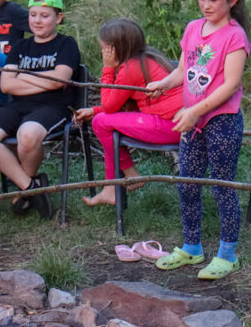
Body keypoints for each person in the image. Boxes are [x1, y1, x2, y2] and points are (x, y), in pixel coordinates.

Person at [145, 0, 251, 280]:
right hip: (193, 123)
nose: (205, 5)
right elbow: (182, 71)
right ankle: (192, 247)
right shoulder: (193, 28)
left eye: (212, 0)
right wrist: (163, 84)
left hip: (221, 122)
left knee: (221, 185)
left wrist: (194, 111)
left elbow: (230, 85)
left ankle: (227, 255)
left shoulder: (235, 36)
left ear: (232, 0)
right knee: (187, 183)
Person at [0, 0, 79, 220]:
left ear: (58, 18)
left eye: (44, 15)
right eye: (33, 15)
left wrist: (24, 77)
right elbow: (6, 85)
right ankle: (30, 188)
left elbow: (59, 80)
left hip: (53, 107)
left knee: (28, 134)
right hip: (18, 106)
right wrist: (46, 80)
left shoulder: (66, 44)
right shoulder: (21, 47)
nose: (37, 21)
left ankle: (25, 192)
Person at [73, 18, 183, 206]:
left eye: (104, 49)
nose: (102, 53)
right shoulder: (146, 57)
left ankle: (131, 175)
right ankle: (110, 189)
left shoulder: (131, 69)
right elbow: (118, 105)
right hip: (176, 121)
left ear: (116, 49)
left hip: (171, 126)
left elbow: (109, 107)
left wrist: (108, 69)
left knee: (101, 123)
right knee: (104, 123)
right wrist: (94, 110)